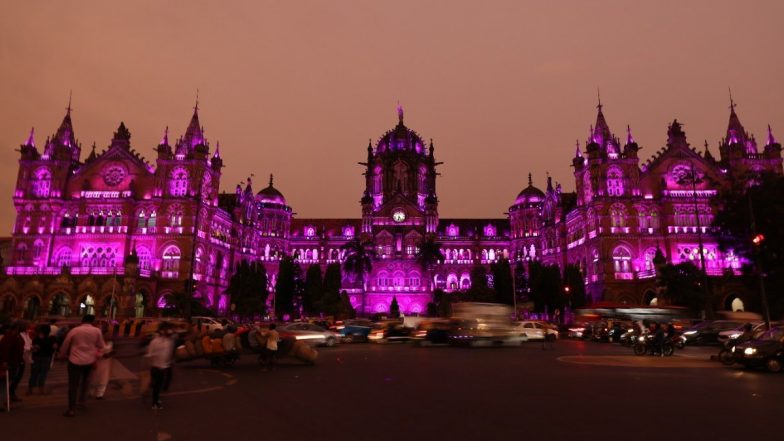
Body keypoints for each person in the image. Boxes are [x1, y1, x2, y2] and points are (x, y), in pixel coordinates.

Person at [59, 314, 106, 417]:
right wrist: (97, 356)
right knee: (85, 383)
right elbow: (102, 346)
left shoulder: (75, 330)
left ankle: (71, 409)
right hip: (89, 361)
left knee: (73, 385)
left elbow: (66, 344)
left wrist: (62, 355)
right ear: (92, 322)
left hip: (74, 361)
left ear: (82, 321)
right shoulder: (97, 331)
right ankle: (82, 403)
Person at [146, 322, 174, 410]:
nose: (168, 331)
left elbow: (168, 354)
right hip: (156, 367)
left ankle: (157, 399)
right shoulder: (155, 341)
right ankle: (154, 403)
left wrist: (168, 363)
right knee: (156, 386)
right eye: (165, 330)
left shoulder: (168, 341)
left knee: (159, 385)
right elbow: (149, 355)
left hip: (163, 367)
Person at [0, 323, 25, 410]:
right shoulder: (9, 337)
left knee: (7, 383)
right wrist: (5, 362)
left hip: (14, 362)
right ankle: (1, 402)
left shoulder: (17, 337)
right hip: (9, 363)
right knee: (3, 383)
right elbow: (5, 350)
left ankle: (4, 400)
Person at [28, 324, 57, 395]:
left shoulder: (37, 338)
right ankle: (41, 389)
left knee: (34, 373)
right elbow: (55, 347)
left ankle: (30, 390)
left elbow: (34, 348)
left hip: (36, 357)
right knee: (43, 374)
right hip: (47, 357)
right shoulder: (52, 338)